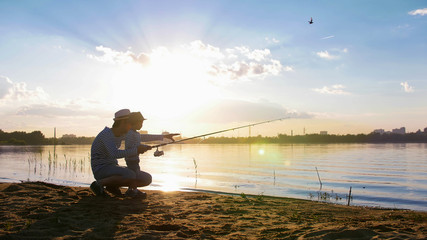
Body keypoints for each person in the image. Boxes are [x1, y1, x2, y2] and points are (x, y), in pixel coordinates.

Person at [90, 109, 152, 197]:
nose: (131, 127)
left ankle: (112, 186)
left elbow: (140, 137)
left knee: (146, 178)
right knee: (130, 174)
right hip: (101, 169)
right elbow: (114, 154)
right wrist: (136, 150)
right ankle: (98, 184)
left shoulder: (121, 133)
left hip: (113, 168)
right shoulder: (106, 134)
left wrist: (163, 137)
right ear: (123, 122)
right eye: (130, 123)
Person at [125, 111, 179, 197]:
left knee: (135, 173)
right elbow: (135, 147)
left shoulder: (134, 133)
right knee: (134, 174)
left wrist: (147, 146)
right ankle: (133, 190)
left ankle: (131, 189)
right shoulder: (131, 133)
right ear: (135, 122)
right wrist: (145, 147)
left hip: (133, 158)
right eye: (141, 122)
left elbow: (139, 143)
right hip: (131, 159)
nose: (142, 124)